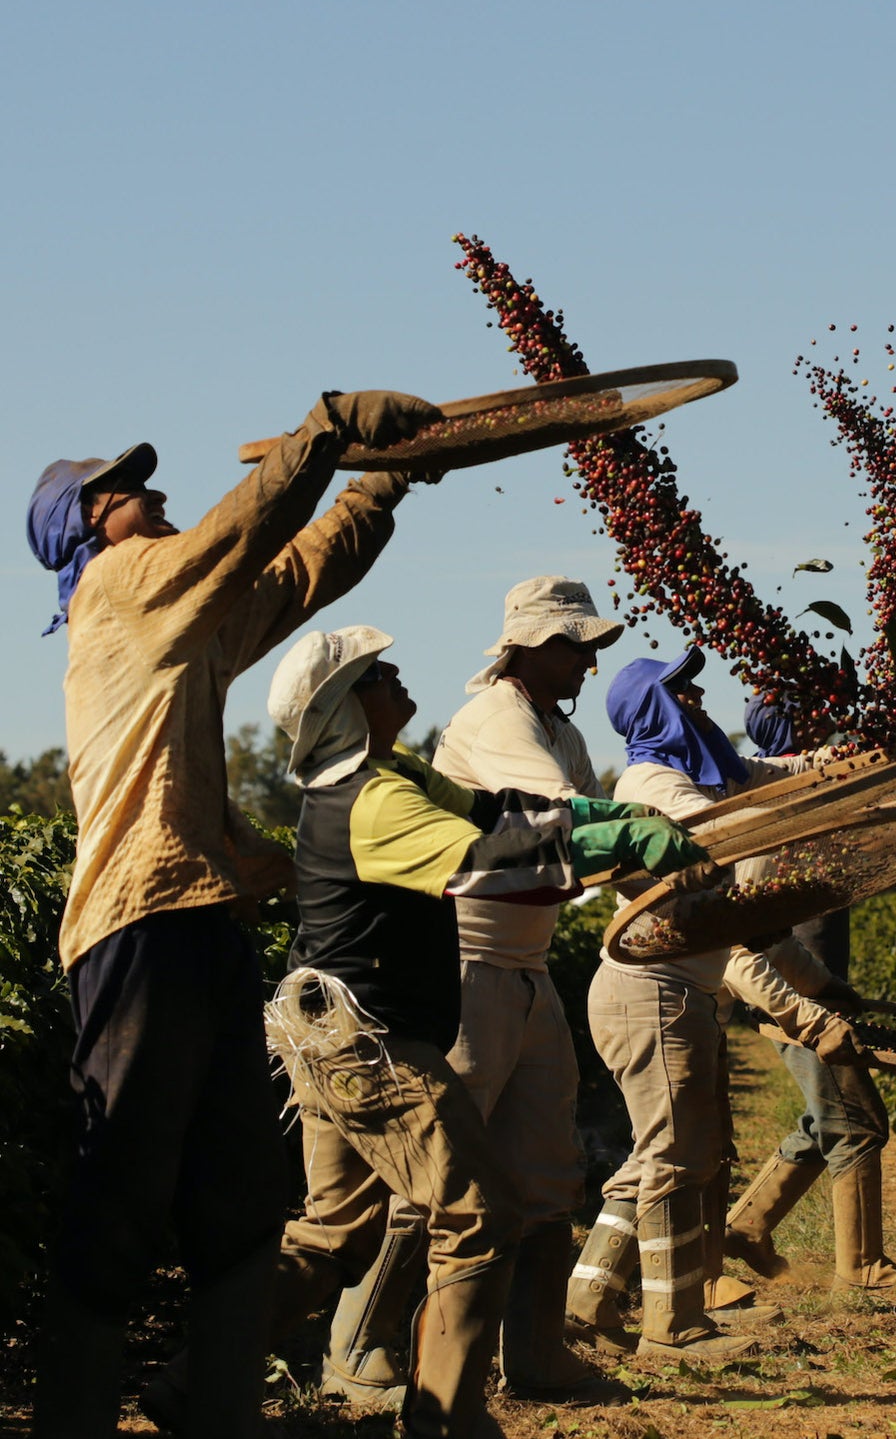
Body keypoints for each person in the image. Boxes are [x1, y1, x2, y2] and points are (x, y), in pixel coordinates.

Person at [23, 390, 443, 1439]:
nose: (155, 494)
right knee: (121, 1194)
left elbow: (293, 571)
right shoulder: (119, 590)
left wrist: (380, 486)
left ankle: (215, 1414)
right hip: (136, 926)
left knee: (241, 1199)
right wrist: (326, 429)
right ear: (89, 529)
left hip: (200, 920)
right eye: (126, 491)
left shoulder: (186, 626)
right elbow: (240, 530)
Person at [261, 624, 708, 1438]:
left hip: (335, 1031)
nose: (401, 677)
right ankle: (447, 1417)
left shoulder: (392, 772)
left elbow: (495, 807)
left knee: (338, 1230)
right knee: (473, 1210)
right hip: (370, 1040)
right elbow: (491, 855)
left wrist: (612, 814)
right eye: (379, 673)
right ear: (346, 709)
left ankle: (196, 1380)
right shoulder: (375, 800)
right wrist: (621, 839)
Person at [323, 577, 629, 1407]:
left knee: (545, 1165)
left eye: (591, 649)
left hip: (525, 970)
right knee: (438, 1172)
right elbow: (566, 819)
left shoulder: (557, 727)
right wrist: (635, 830)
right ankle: (360, 1345)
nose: (585, 664)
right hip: (469, 971)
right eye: (574, 647)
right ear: (527, 645)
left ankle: (533, 1352)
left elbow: (590, 844)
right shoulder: (499, 719)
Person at [566, 648, 866, 1362]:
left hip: (673, 990)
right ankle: (672, 1323)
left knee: (661, 1152)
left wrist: (855, 759)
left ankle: (588, 1298)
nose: (700, 695)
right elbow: (742, 870)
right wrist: (809, 1013)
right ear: (658, 709)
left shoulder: (701, 777)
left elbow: (752, 905)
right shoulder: (657, 784)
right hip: (650, 991)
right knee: (676, 1156)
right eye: (684, 690)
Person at [722, 693, 896, 1294]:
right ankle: (861, 1268)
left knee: (831, 1117)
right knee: (859, 1122)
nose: (836, 739)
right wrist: (807, 1008)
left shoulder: (815, 801)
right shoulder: (781, 812)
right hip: (793, 1005)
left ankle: (747, 1224)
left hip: (810, 994)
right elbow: (755, 938)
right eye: (822, 727)